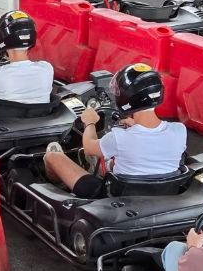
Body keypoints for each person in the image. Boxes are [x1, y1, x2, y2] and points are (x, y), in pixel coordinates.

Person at [44, 63, 186, 199]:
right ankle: (104, 167)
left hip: (114, 199)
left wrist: (90, 122)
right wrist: (136, 125)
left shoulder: (119, 137)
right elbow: (152, 145)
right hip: (164, 194)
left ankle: (60, 187)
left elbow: (88, 147)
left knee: (52, 157)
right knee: (120, 160)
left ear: (128, 98)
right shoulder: (179, 131)